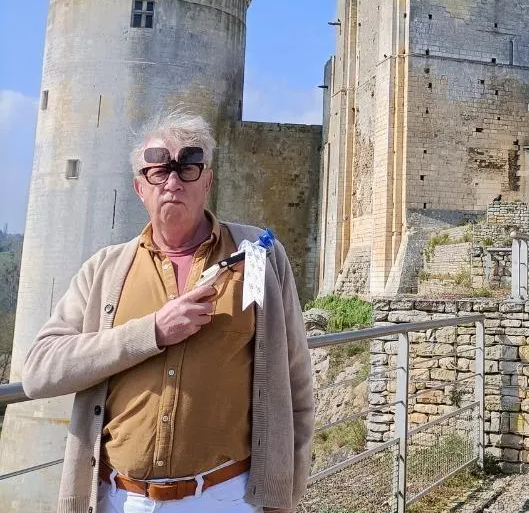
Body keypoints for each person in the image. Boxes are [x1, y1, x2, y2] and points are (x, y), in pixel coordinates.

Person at [21, 111, 314, 513]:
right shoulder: (105, 270)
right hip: (119, 499)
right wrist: (152, 332)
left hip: (226, 497)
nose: (173, 181)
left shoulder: (259, 256)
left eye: (188, 168)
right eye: (158, 171)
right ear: (139, 187)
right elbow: (39, 371)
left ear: (207, 181)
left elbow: (296, 381)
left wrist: (285, 493)